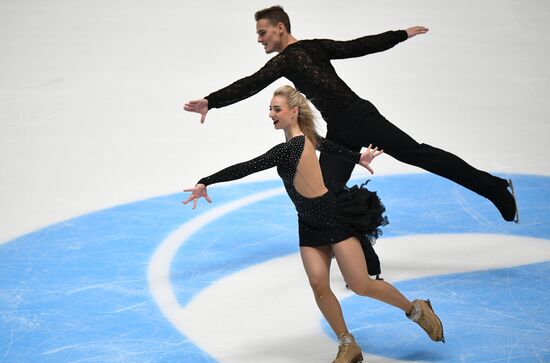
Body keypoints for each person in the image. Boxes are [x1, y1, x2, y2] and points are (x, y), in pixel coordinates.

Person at [184, 5, 519, 275]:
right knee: (327, 195)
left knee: (418, 154)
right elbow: (250, 84)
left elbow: (357, 46)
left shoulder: (302, 52)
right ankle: (366, 261)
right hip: (341, 129)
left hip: (360, 117)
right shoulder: (285, 61)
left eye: (262, 31)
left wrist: (399, 35)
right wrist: (212, 101)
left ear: (280, 28)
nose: (259, 39)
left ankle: (495, 188)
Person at [183, 85, 444, 363]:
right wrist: (355, 158)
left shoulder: (290, 147)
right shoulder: (304, 139)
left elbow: (249, 166)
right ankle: (347, 343)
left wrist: (206, 180)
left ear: (293, 112)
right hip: (307, 223)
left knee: (360, 285)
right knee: (319, 286)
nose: (271, 114)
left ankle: (416, 309)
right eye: (270, 109)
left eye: (276, 109)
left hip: (332, 218)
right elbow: (325, 145)